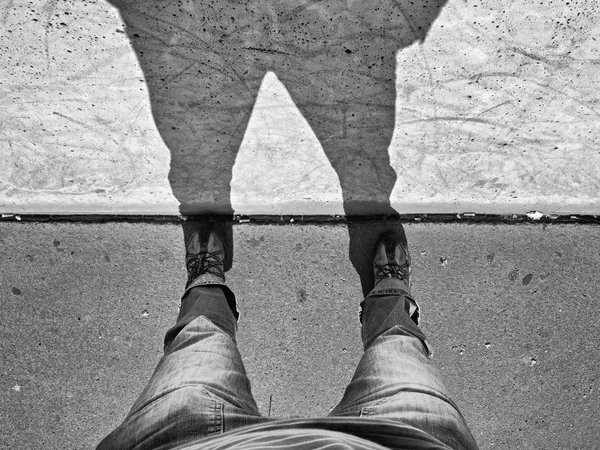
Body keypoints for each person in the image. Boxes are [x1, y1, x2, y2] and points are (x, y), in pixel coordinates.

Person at [97, 224, 479, 449]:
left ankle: (205, 280)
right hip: (398, 440)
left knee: (200, 339)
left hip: (187, 440)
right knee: (399, 349)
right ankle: (390, 297)